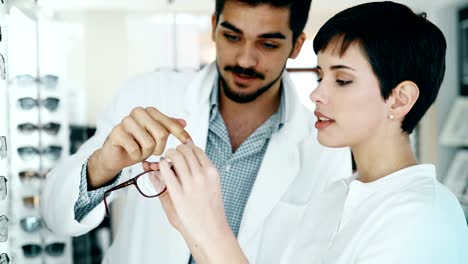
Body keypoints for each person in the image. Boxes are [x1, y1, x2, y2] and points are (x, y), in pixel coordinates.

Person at [153, 1, 468, 263]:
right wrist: (190, 224)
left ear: (399, 99)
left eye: (342, 80)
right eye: (321, 76)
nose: (317, 95)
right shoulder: (333, 197)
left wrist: (213, 226)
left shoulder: (425, 217)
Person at [40, 0, 352, 263]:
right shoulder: (147, 94)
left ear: (296, 45)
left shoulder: (325, 148)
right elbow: (54, 215)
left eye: (267, 44)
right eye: (232, 37)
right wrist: (101, 167)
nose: (245, 59)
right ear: (215, 26)